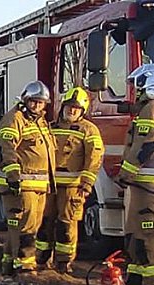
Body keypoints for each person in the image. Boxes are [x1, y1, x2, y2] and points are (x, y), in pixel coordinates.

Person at [35, 87, 104, 274]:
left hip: (73, 187)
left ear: (82, 111)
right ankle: (41, 259)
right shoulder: (51, 127)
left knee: (66, 224)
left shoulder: (89, 130)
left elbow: (94, 158)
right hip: (49, 186)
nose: (72, 110)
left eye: (76, 108)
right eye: (69, 106)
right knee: (44, 222)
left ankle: (63, 263)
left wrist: (87, 183)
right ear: (63, 107)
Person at [0, 80, 57, 275]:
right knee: (26, 227)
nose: (37, 106)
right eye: (33, 101)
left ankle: (9, 265)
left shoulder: (40, 122)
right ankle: (25, 266)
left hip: (38, 185)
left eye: (41, 102)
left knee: (32, 225)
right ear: (25, 100)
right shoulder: (14, 118)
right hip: (22, 185)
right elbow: (6, 149)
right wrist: (14, 177)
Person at [116, 64, 154, 285]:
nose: (136, 92)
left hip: (147, 185)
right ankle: (136, 278)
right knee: (137, 230)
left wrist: (126, 173)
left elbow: (144, 146)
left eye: (137, 87)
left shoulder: (151, 109)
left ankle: (149, 284)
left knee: (147, 232)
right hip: (143, 184)